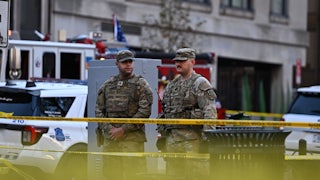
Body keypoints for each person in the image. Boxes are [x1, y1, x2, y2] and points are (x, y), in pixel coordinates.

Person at [157, 48, 217, 179]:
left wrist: (208, 138)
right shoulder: (172, 85)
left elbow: (209, 111)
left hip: (193, 140)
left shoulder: (200, 83)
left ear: (192, 62)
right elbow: (165, 111)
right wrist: (162, 134)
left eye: (182, 61)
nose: (178, 64)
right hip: (172, 140)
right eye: (177, 61)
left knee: (195, 176)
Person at [95, 49, 153, 180]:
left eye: (130, 62)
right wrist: (110, 129)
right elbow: (99, 110)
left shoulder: (141, 84)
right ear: (117, 64)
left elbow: (144, 111)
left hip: (131, 140)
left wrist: (123, 129)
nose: (128, 65)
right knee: (111, 175)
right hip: (111, 140)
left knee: (133, 175)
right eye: (124, 62)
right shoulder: (108, 85)